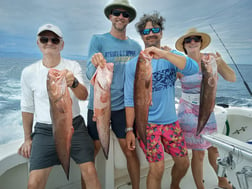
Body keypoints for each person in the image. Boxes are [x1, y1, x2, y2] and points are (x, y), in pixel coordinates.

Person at [18, 23, 101, 189]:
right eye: (44, 39)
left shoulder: (73, 66)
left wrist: (74, 83)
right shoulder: (28, 72)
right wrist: (27, 138)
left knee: (90, 172)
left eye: (54, 40)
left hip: (74, 125)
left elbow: (84, 96)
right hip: (44, 130)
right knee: (33, 183)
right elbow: (27, 108)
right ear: (38, 43)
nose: (49, 42)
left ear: (61, 45)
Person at [124, 12, 199, 189]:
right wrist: (129, 129)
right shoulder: (131, 65)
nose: (150, 34)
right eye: (145, 31)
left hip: (171, 123)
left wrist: (164, 54)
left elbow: (193, 68)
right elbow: (129, 99)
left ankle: (174, 186)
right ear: (141, 35)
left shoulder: (170, 56)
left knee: (183, 163)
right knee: (156, 168)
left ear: (161, 33)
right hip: (147, 124)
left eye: (155, 29)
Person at [85, 0, 142, 188]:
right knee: (91, 151)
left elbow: (139, 78)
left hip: (123, 107)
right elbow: (87, 73)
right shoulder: (98, 40)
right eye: (117, 12)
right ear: (110, 16)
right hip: (98, 106)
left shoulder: (136, 46)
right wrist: (94, 62)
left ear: (129, 19)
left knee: (129, 150)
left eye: (125, 14)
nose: (120, 17)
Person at [175, 28, 236, 189]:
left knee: (213, 148)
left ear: (201, 43)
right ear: (184, 46)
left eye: (196, 39)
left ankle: (222, 180)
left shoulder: (211, 60)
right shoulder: (180, 64)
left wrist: (221, 62)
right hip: (187, 111)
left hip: (208, 110)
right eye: (188, 40)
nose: (192, 42)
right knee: (199, 152)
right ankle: (200, 187)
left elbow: (231, 78)